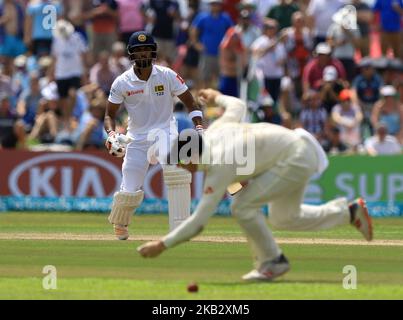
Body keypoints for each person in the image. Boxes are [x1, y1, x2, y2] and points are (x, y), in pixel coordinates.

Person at [137, 88, 373, 281]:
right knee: (284, 217)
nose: (181, 168)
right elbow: (237, 106)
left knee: (241, 207)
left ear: (191, 156)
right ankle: (349, 213)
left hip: (295, 157)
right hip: (296, 150)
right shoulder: (216, 131)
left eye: (181, 163)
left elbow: (198, 222)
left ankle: (273, 262)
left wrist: (162, 244)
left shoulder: (219, 166)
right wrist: (216, 96)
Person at [104, 31, 204, 240]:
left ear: (153, 52)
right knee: (129, 188)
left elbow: (190, 102)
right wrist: (112, 133)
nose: (143, 54)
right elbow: (109, 114)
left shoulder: (167, 75)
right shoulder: (122, 82)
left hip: (165, 132)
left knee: (176, 170)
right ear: (131, 54)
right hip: (136, 138)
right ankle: (120, 223)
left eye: (147, 50)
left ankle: (180, 228)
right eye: (139, 51)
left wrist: (199, 127)